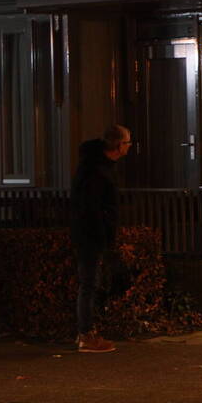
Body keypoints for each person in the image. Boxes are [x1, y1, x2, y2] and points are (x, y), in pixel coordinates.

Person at [70, 124, 132, 353]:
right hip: (90, 236)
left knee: (91, 283)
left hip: (89, 233)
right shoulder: (97, 170)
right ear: (117, 145)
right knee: (89, 283)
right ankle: (86, 335)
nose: (129, 147)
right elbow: (93, 208)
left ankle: (86, 332)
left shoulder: (96, 166)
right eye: (127, 143)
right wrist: (104, 237)